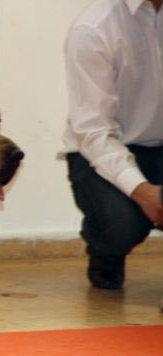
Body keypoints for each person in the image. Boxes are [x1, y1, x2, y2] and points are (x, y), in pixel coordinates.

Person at [62, 0, 163, 290]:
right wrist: (143, 191)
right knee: (123, 224)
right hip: (101, 152)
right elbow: (94, 133)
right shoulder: (93, 29)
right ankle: (105, 252)